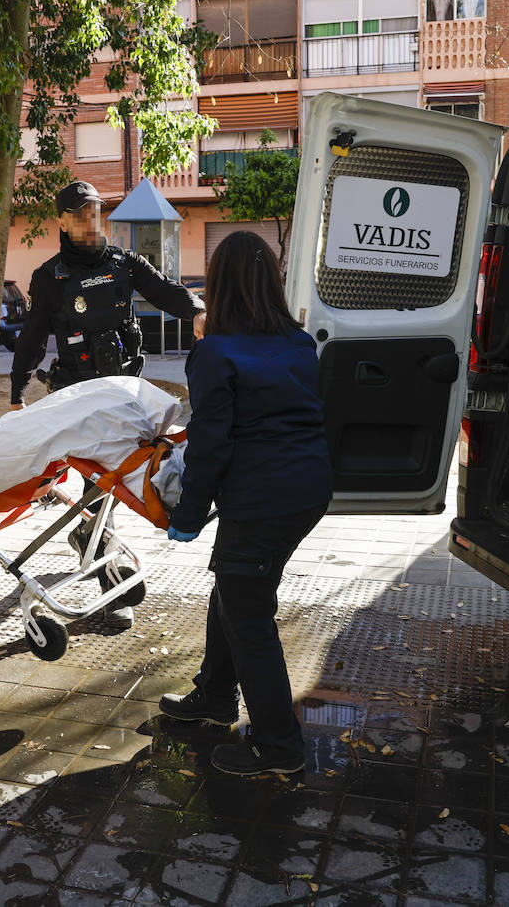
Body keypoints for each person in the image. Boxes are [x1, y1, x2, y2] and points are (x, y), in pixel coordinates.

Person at [157, 231, 333, 777]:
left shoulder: (215, 354)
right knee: (233, 593)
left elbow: (211, 444)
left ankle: (279, 745)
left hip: (262, 501)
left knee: (248, 614)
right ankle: (213, 696)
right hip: (306, 492)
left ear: (219, 287)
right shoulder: (300, 342)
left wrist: (186, 516)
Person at [9, 180, 205, 629]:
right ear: (61, 221)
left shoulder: (123, 263)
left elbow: (166, 290)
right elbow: (33, 340)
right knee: (105, 480)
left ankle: (93, 541)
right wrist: (18, 394)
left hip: (122, 393)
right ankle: (104, 577)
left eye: (96, 212)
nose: (91, 220)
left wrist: (196, 311)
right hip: (79, 398)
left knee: (115, 480)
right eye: (80, 214)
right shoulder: (50, 277)